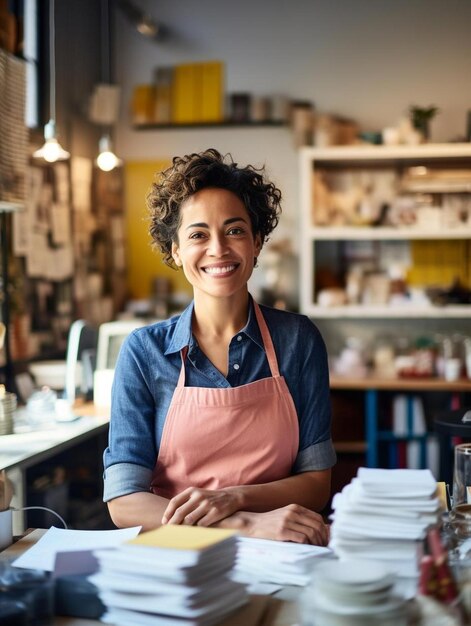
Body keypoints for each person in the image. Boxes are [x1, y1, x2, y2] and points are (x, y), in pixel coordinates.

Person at [103, 148, 336, 545]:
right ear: (175, 252)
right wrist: (241, 523)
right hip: (179, 553)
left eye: (235, 230)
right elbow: (124, 500)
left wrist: (232, 499)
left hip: (281, 548)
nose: (218, 249)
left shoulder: (298, 340)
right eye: (198, 235)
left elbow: (316, 483)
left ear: (257, 242)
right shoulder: (144, 352)